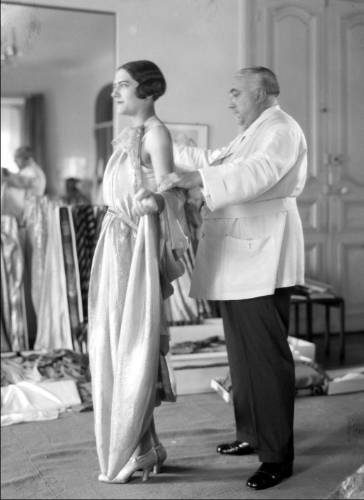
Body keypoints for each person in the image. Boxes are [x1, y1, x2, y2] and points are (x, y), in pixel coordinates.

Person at [142, 66, 307, 490]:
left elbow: (259, 172)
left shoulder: (281, 129)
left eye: (236, 93)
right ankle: (251, 434)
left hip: (261, 254)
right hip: (242, 253)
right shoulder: (253, 131)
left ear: (263, 92)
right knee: (241, 353)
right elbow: (211, 161)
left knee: (265, 357)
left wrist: (197, 178)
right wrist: (161, 144)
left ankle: (277, 455)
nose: (229, 101)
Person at [88, 60, 189, 485]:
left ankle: (138, 448)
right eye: (114, 86)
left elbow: (171, 187)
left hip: (132, 244)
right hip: (116, 243)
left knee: (131, 344)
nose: (115, 93)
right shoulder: (133, 135)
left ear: (147, 91)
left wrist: (155, 201)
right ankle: (146, 447)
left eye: (123, 85)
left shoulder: (156, 133)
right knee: (112, 343)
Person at [1, 146, 46, 224]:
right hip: (22, 216)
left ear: (29, 159)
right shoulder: (28, 171)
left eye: (17, 157)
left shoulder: (32, 171)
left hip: (26, 216)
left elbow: (20, 181)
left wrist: (4, 173)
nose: (14, 160)